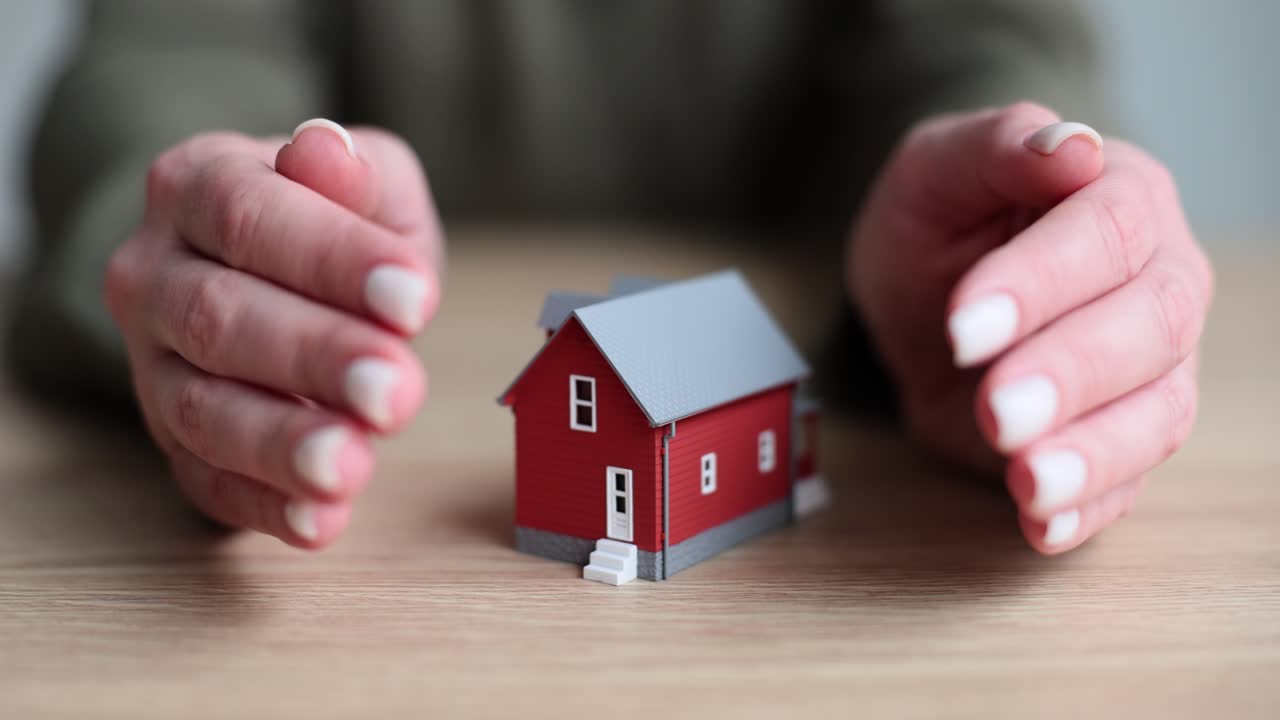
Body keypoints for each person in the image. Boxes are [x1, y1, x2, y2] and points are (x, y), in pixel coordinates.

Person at [9, 1, 1212, 554]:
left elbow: (998, 45)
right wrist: (193, 236)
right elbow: (161, 60)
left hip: (866, 374)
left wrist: (1035, 236)